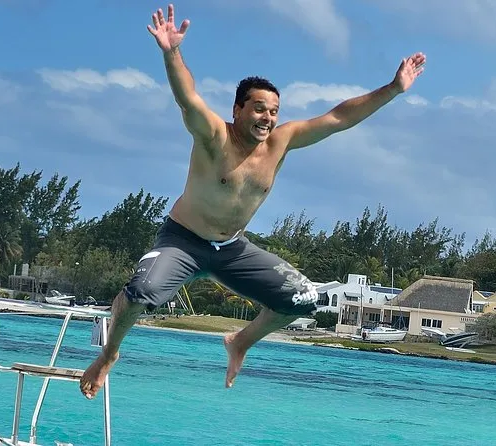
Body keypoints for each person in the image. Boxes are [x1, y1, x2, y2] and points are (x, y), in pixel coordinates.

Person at [79, 4, 425, 399]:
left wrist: (393, 89)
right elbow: (188, 98)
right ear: (238, 109)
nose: (267, 118)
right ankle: (109, 354)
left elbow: (338, 118)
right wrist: (171, 51)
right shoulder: (215, 136)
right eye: (259, 109)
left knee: (304, 299)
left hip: (232, 250)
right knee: (138, 294)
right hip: (183, 242)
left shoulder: (281, 142)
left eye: (274, 111)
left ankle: (240, 341)